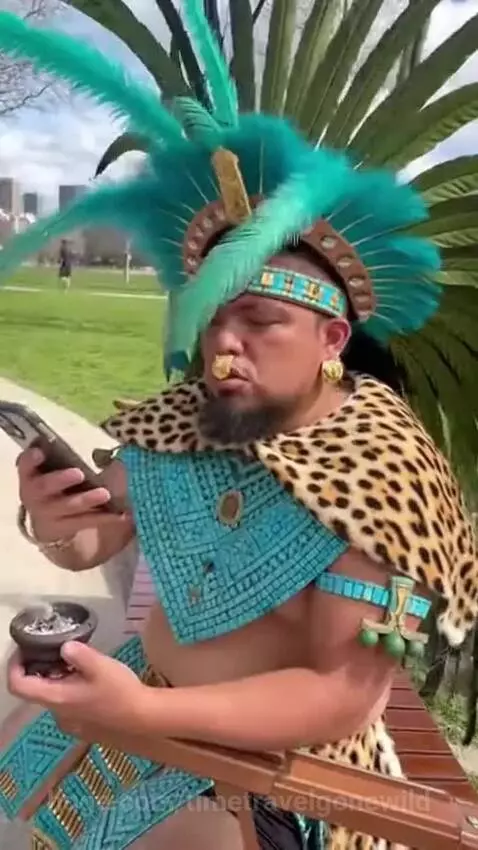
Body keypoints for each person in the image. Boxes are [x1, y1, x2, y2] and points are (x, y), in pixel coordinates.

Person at [0, 4, 476, 850]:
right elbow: (93, 543)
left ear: (333, 338)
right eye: (212, 316)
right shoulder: (189, 418)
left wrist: (145, 712)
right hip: (142, 712)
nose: (223, 344)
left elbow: (339, 692)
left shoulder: (384, 475)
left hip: (282, 774)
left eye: (259, 319)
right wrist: (50, 517)